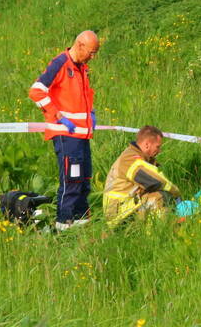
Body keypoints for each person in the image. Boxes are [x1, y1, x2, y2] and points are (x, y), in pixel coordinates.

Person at [29, 31, 100, 231]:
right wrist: (58, 116)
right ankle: (63, 223)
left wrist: (91, 113)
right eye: (91, 52)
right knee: (71, 179)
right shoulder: (61, 63)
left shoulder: (82, 68)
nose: (93, 57)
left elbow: (83, 97)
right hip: (66, 134)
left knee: (84, 178)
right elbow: (36, 91)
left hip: (82, 134)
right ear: (80, 45)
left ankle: (81, 220)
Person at [104, 125, 182, 225]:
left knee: (161, 195)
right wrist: (176, 194)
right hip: (118, 214)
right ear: (147, 145)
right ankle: (155, 234)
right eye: (157, 147)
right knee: (159, 196)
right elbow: (155, 181)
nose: (159, 151)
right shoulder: (131, 160)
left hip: (124, 207)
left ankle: (162, 227)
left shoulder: (132, 155)